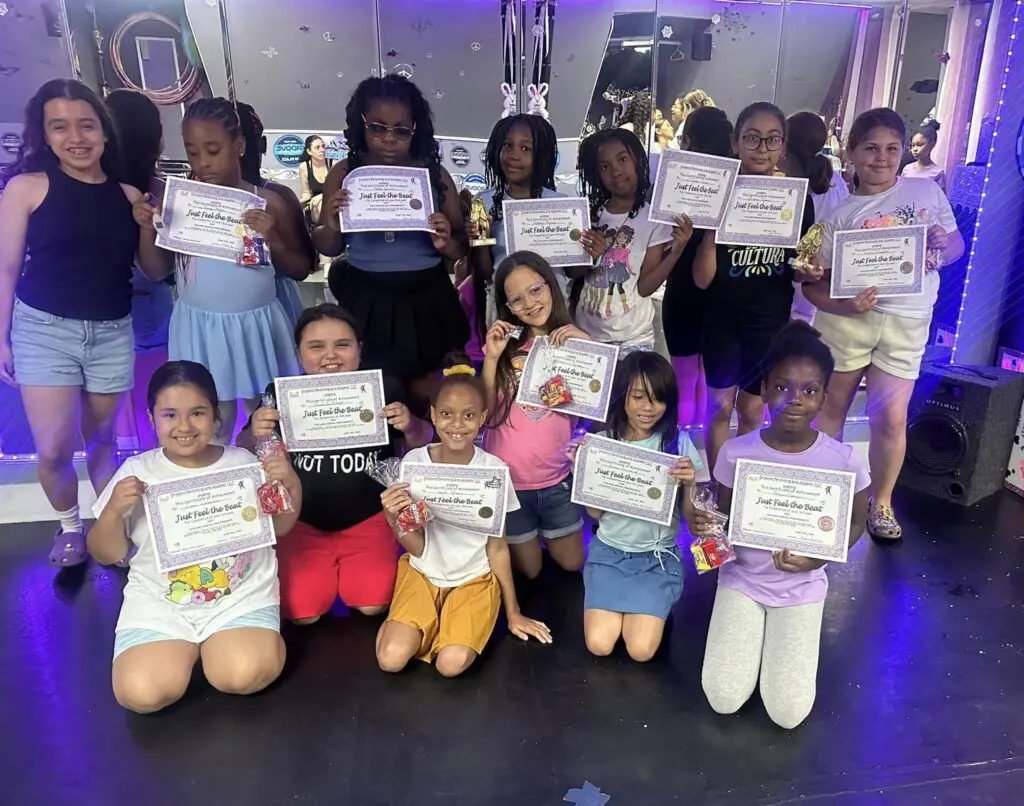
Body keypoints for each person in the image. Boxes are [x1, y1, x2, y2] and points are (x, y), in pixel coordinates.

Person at [0, 78, 169, 567]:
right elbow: (7, 267)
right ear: (45, 134)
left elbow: (154, 272)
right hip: (43, 330)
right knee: (53, 450)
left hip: (111, 331)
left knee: (101, 443)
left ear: (104, 132)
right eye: (60, 126)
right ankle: (70, 524)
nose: (76, 137)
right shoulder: (26, 188)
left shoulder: (129, 194)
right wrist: (3, 338)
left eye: (86, 125)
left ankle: (111, 532)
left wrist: (146, 224)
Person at [87, 360, 302, 713]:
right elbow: (106, 553)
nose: (184, 426)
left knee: (244, 675)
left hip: (240, 596)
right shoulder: (136, 472)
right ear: (151, 416)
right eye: (170, 415)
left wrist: (289, 481)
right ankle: (184, 647)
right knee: (141, 694)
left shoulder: (245, 464)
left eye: (198, 413)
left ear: (215, 415)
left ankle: (226, 644)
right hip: (160, 604)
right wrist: (112, 512)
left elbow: (280, 528)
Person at [685, 322, 870, 729]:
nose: (795, 400)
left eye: (809, 390)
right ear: (765, 389)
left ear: (824, 396)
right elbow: (724, 521)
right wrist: (704, 527)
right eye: (783, 387)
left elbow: (856, 521)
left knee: (788, 713)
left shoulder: (845, 462)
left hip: (802, 588)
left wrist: (816, 559)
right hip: (742, 581)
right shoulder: (735, 452)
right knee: (723, 697)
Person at [802, 108, 963, 541]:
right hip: (846, 324)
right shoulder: (834, 216)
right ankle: (824, 496)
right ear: (850, 153)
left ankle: (883, 503)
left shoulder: (926, 193)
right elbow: (810, 287)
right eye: (870, 148)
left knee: (891, 420)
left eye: (892, 149)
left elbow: (956, 247)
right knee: (829, 411)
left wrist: (937, 246)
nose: (881, 158)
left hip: (907, 321)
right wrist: (845, 305)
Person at [239, 304, 433, 624]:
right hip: (302, 522)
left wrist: (410, 424)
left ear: (359, 350)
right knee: (302, 614)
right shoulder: (280, 395)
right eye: (316, 347)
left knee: (373, 603)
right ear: (299, 353)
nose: (330, 356)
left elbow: (426, 443)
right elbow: (242, 452)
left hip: (369, 517)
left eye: (342, 345)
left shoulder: (385, 389)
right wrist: (254, 431)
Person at [376, 353, 552, 677]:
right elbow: (416, 546)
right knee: (390, 659)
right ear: (432, 415)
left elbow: (497, 548)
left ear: (483, 417)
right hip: (423, 573)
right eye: (446, 414)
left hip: (474, 578)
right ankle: (433, 623)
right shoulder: (414, 463)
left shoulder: (494, 471)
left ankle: (454, 623)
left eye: (468, 415)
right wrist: (392, 516)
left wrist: (513, 612)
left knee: (450, 665)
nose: (457, 424)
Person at [315, 75, 469, 408]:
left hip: (426, 297)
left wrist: (447, 244)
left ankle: (422, 451)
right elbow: (328, 246)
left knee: (427, 391)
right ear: (360, 126)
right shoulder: (344, 173)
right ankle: (383, 457)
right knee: (374, 391)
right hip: (367, 298)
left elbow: (460, 247)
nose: (388, 139)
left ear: (417, 130)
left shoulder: (435, 176)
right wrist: (330, 218)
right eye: (377, 128)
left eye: (401, 131)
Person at [165, 97, 311, 442]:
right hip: (200, 326)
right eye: (193, 152)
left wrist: (272, 238)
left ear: (239, 145)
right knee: (211, 417)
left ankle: (272, 486)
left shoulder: (269, 201)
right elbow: (157, 268)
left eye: (213, 150)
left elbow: (301, 268)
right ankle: (221, 485)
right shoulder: (181, 203)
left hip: (255, 325)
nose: (203, 162)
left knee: (268, 417)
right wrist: (149, 226)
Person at [692, 102, 820, 475]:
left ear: (783, 146)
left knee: (751, 411)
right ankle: (716, 489)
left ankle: (738, 487)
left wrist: (809, 270)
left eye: (772, 139)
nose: (762, 148)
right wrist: (713, 230)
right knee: (718, 407)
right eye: (752, 138)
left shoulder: (797, 200)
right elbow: (702, 279)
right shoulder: (716, 195)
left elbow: (797, 270)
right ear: (735, 143)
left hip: (768, 323)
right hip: (721, 320)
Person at [582, 352, 702, 662]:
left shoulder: (678, 444)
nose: (649, 408)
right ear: (623, 395)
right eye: (638, 397)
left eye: (658, 399)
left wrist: (690, 484)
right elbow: (594, 515)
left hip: (655, 559)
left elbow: (691, 519)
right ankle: (640, 610)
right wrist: (583, 473)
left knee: (640, 651)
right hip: (609, 554)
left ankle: (658, 605)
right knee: (600, 644)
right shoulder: (604, 441)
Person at [482, 252, 591, 579]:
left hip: (557, 479)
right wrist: (491, 359)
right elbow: (485, 416)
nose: (529, 304)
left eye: (535, 290)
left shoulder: (574, 341)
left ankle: (543, 534)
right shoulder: (503, 347)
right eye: (516, 299)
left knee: (572, 563)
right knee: (529, 572)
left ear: (550, 286)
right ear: (506, 306)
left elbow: (599, 410)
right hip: (511, 483)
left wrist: (588, 347)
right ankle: (527, 537)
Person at [638, 106, 733, 428]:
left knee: (684, 375)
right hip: (721, 289)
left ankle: (684, 442)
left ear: (689, 140)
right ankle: (704, 450)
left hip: (682, 290)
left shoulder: (672, 183)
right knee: (710, 379)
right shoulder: (735, 185)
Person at [575, 129, 690, 353]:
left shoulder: (654, 218)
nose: (616, 171)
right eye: (604, 166)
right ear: (596, 173)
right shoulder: (589, 214)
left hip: (633, 337)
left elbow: (646, 287)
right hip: (587, 334)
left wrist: (677, 250)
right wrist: (591, 257)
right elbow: (573, 273)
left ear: (637, 159)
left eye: (623, 159)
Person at [106, 88, 175, 452]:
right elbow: (158, 269)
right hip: (151, 311)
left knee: (119, 422)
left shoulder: (101, 190)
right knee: (157, 405)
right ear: (155, 137)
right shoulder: (159, 190)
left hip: (102, 312)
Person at [470, 114, 569, 337]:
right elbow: (485, 271)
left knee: (552, 367)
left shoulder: (560, 203)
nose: (514, 155)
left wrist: (590, 250)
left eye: (526, 148)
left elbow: (574, 270)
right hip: (507, 307)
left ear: (542, 156)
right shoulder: (484, 201)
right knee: (510, 365)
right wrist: (480, 239)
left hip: (552, 308)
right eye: (507, 145)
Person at [237, 101, 314, 327]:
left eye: (249, 145)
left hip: (274, 303)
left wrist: (274, 240)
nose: (242, 156)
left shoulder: (279, 197)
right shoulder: (196, 195)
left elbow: (305, 265)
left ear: (262, 144)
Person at [780, 111, 851, 324]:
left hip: (798, 274)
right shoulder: (835, 179)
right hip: (828, 276)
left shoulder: (788, 185)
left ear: (785, 143)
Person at [298, 134, 333, 223]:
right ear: (309, 151)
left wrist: (322, 197)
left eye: (323, 146)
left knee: (322, 202)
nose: (322, 150)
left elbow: (338, 189)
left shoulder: (333, 164)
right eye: (317, 148)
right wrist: (295, 206)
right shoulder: (304, 167)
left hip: (332, 203)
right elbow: (306, 194)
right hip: (315, 207)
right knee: (319, 205)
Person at [902, 121, 946, 191]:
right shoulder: (907, 169)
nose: (915, 149)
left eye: (920, 144)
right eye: (913, 145)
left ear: (932, 144)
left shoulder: (937, 173)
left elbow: (941, 199)